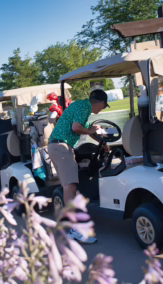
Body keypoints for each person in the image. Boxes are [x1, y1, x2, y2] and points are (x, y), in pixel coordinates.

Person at [48, 89, 110, 244]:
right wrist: (90, 130)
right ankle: (74, 230)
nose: (101, 110)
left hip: (58, 146)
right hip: (61, 147)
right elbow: (77, 128)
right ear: (101, 103)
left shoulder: (81, 106)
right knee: (70, 187)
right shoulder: (85, 107)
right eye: (103, 107)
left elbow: (89, 131)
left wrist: (103, 143)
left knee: (70, 186)